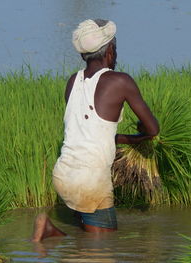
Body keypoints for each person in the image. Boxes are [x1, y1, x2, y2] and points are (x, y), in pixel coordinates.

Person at [32, 18, 159, 242]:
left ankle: (50, 230)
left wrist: (123, 139)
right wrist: (142, 135)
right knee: (103, 247)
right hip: (91, 181)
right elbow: (153, 129)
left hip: (64, 173)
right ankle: (48, 232)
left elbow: (91, 131)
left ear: (83, 55)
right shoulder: (120, 81)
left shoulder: (73, 82)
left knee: (88, 238)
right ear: (110, 51)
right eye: (115, 48)